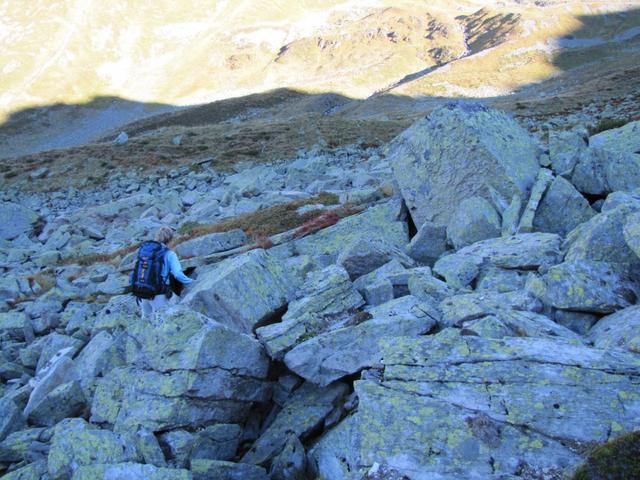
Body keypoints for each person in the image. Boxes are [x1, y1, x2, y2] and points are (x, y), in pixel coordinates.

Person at [139, 226, 193, 319]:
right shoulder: (169, 254)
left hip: (142, 292)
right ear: (171, 239)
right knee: (162, 320)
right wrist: (193, 282)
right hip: (157, 292)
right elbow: (178, 274)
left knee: (145, 324)